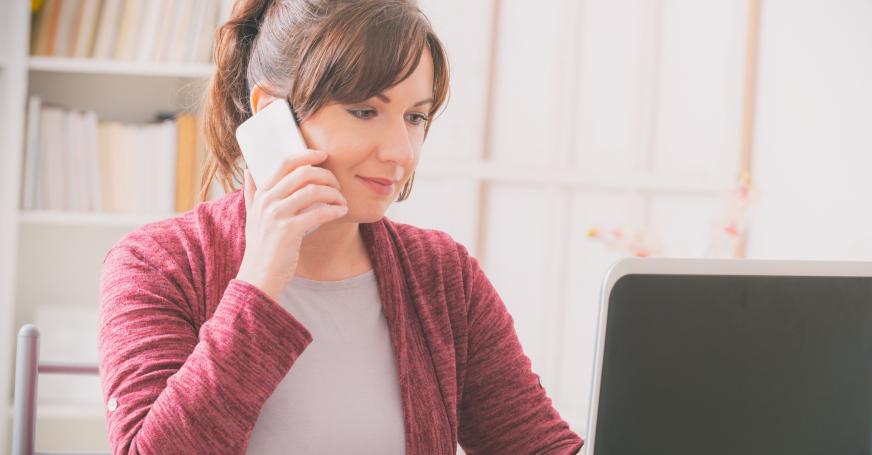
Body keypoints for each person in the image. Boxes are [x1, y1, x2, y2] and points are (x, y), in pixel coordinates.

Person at [97, 0, 584, 453]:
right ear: (274, 115)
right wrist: (259, 285)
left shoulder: (442, 275)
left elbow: (539, 446)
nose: (402, 151)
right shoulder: (155, 265)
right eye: (365, 111)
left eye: (415, 116)